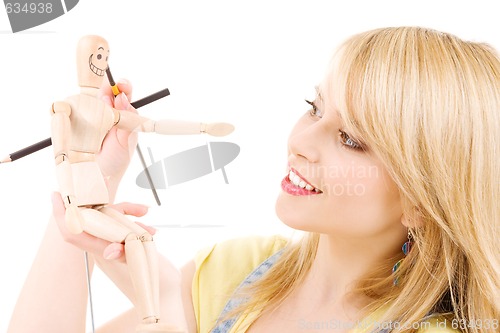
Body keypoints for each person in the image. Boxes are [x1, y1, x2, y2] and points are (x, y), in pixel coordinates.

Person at [7, 26, 499, 333]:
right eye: (315, 108)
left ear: (422, 201)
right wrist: (90, 180)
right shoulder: (236, 270)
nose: (302, 141)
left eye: (351, 139)